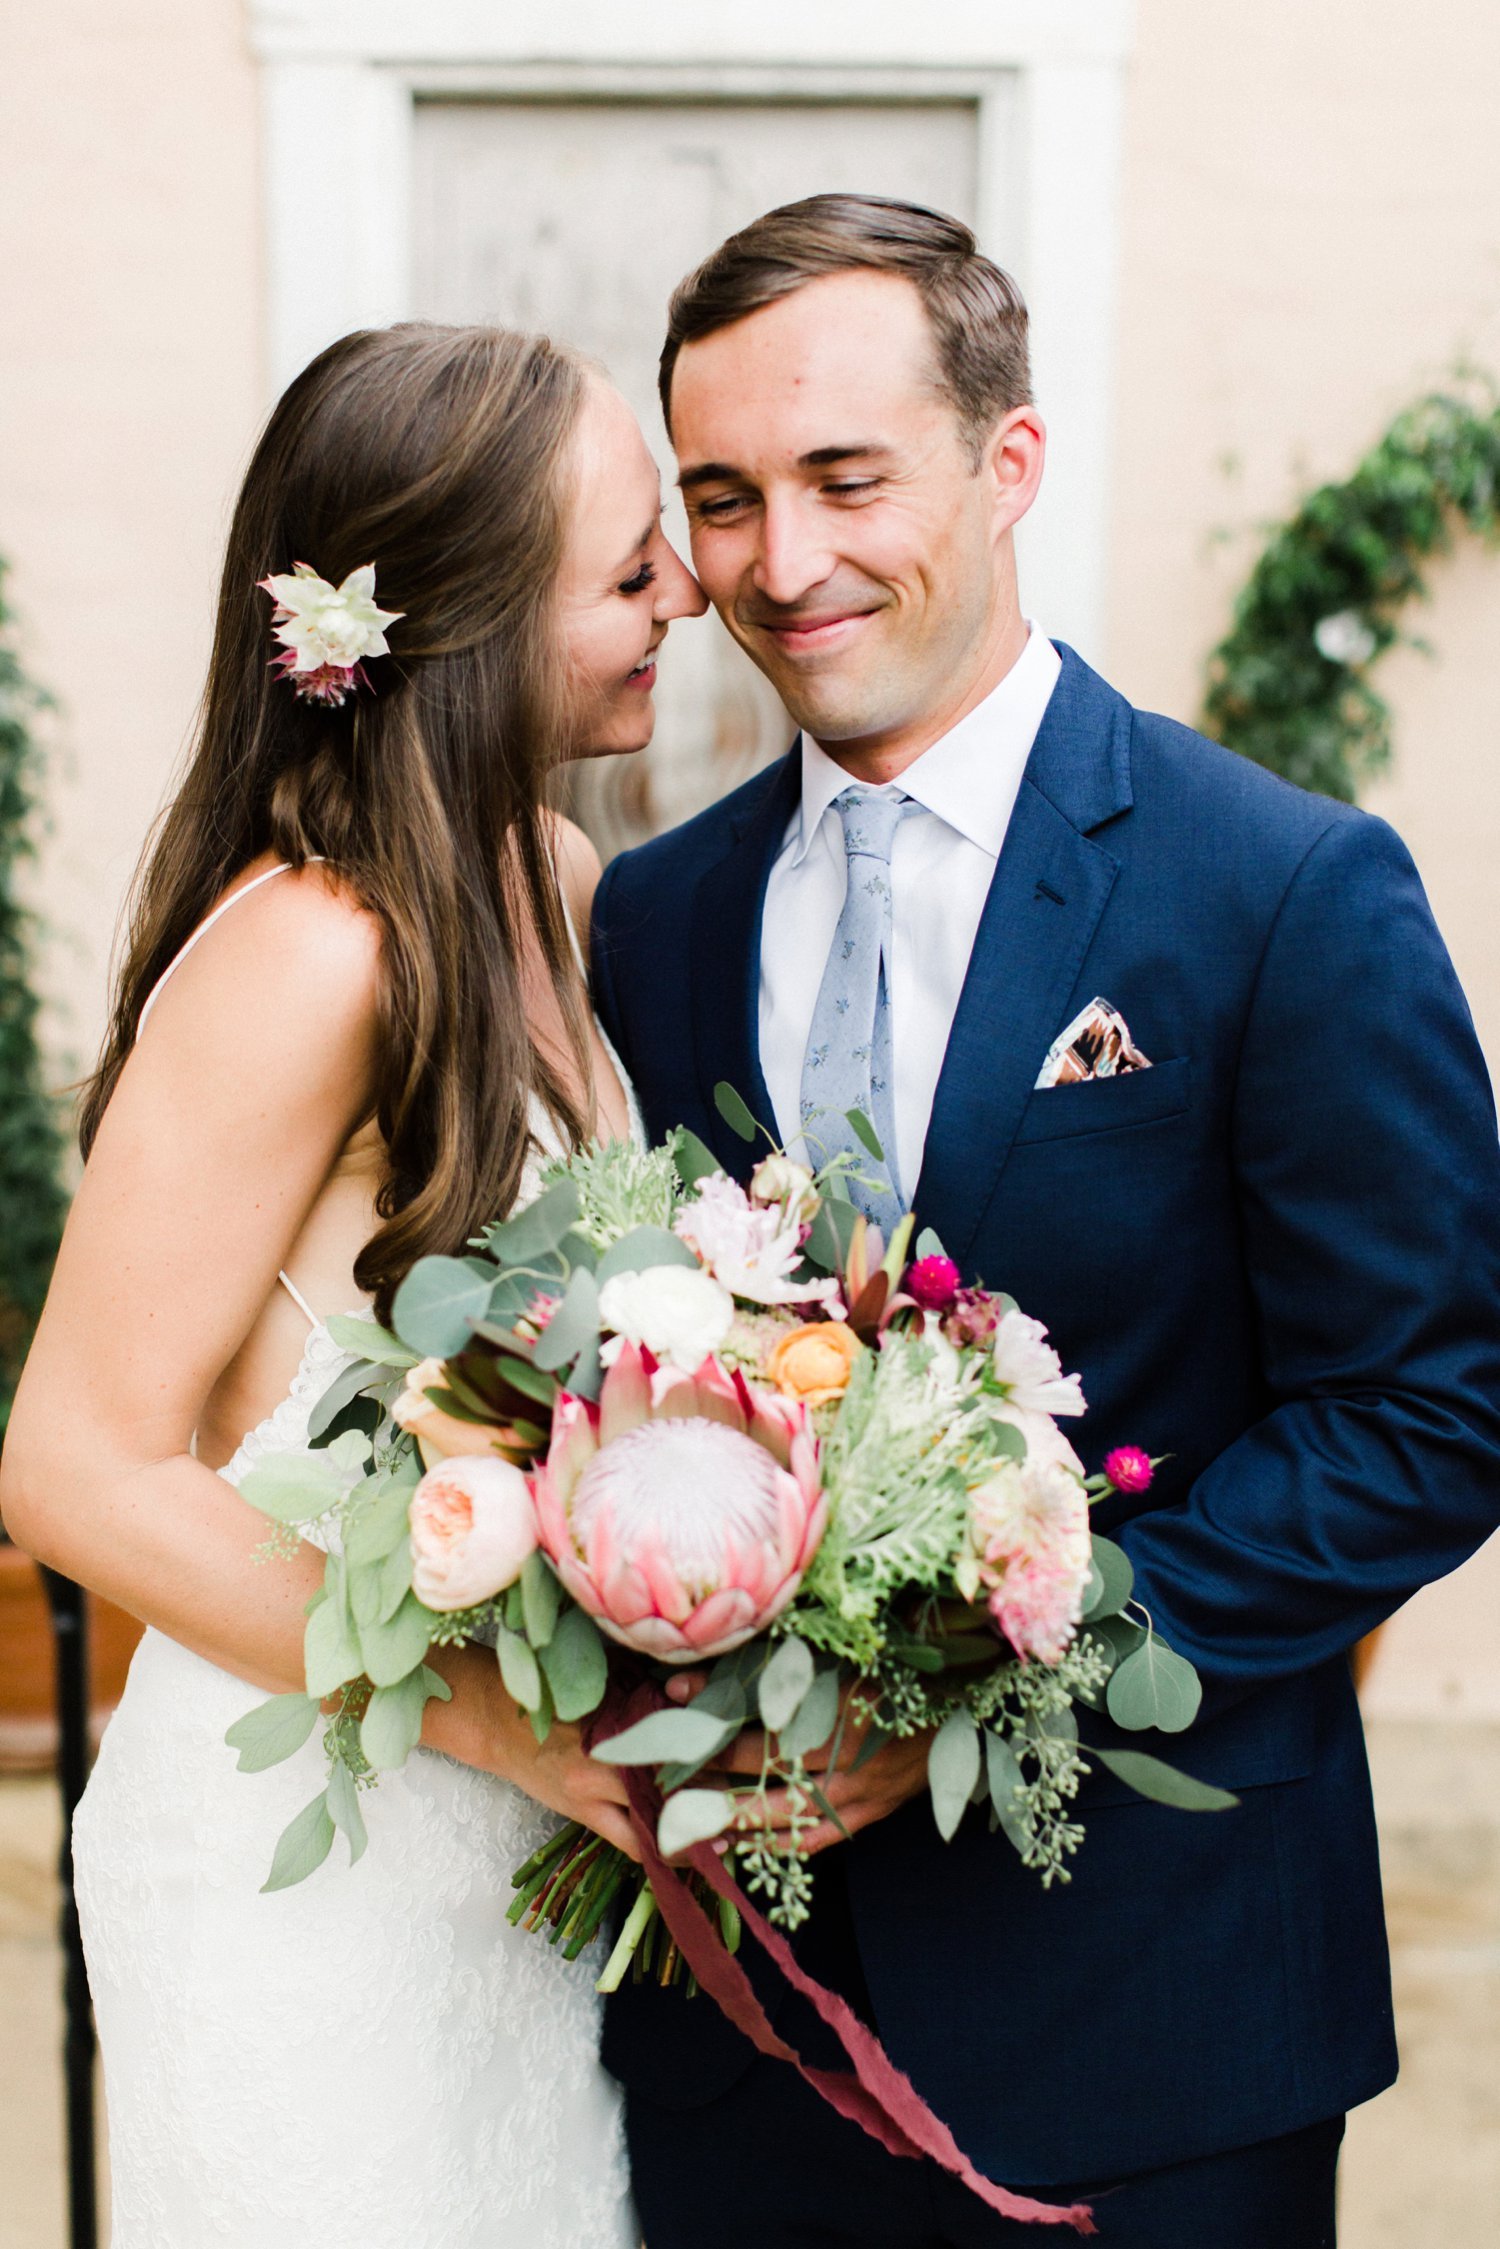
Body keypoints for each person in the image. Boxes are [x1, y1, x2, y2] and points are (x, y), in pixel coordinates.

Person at [588, 195, 1500, 2247]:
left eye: (844, 477)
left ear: (1008, 465)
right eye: (722, 500)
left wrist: (983, 1683)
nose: (780, 564)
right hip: (742, 2033)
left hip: (1160, 2035)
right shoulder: (651, 918)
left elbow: (1431, 1418)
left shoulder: (1276, 890)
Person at [0, 321, 704, 2248]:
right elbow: (69, 1465)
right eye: (633, 564)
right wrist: (500, 1721)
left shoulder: (547, 879)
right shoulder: (311, 951)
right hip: (306, 1872)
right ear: (474, 620)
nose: (692, 590)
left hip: (517, 1873)